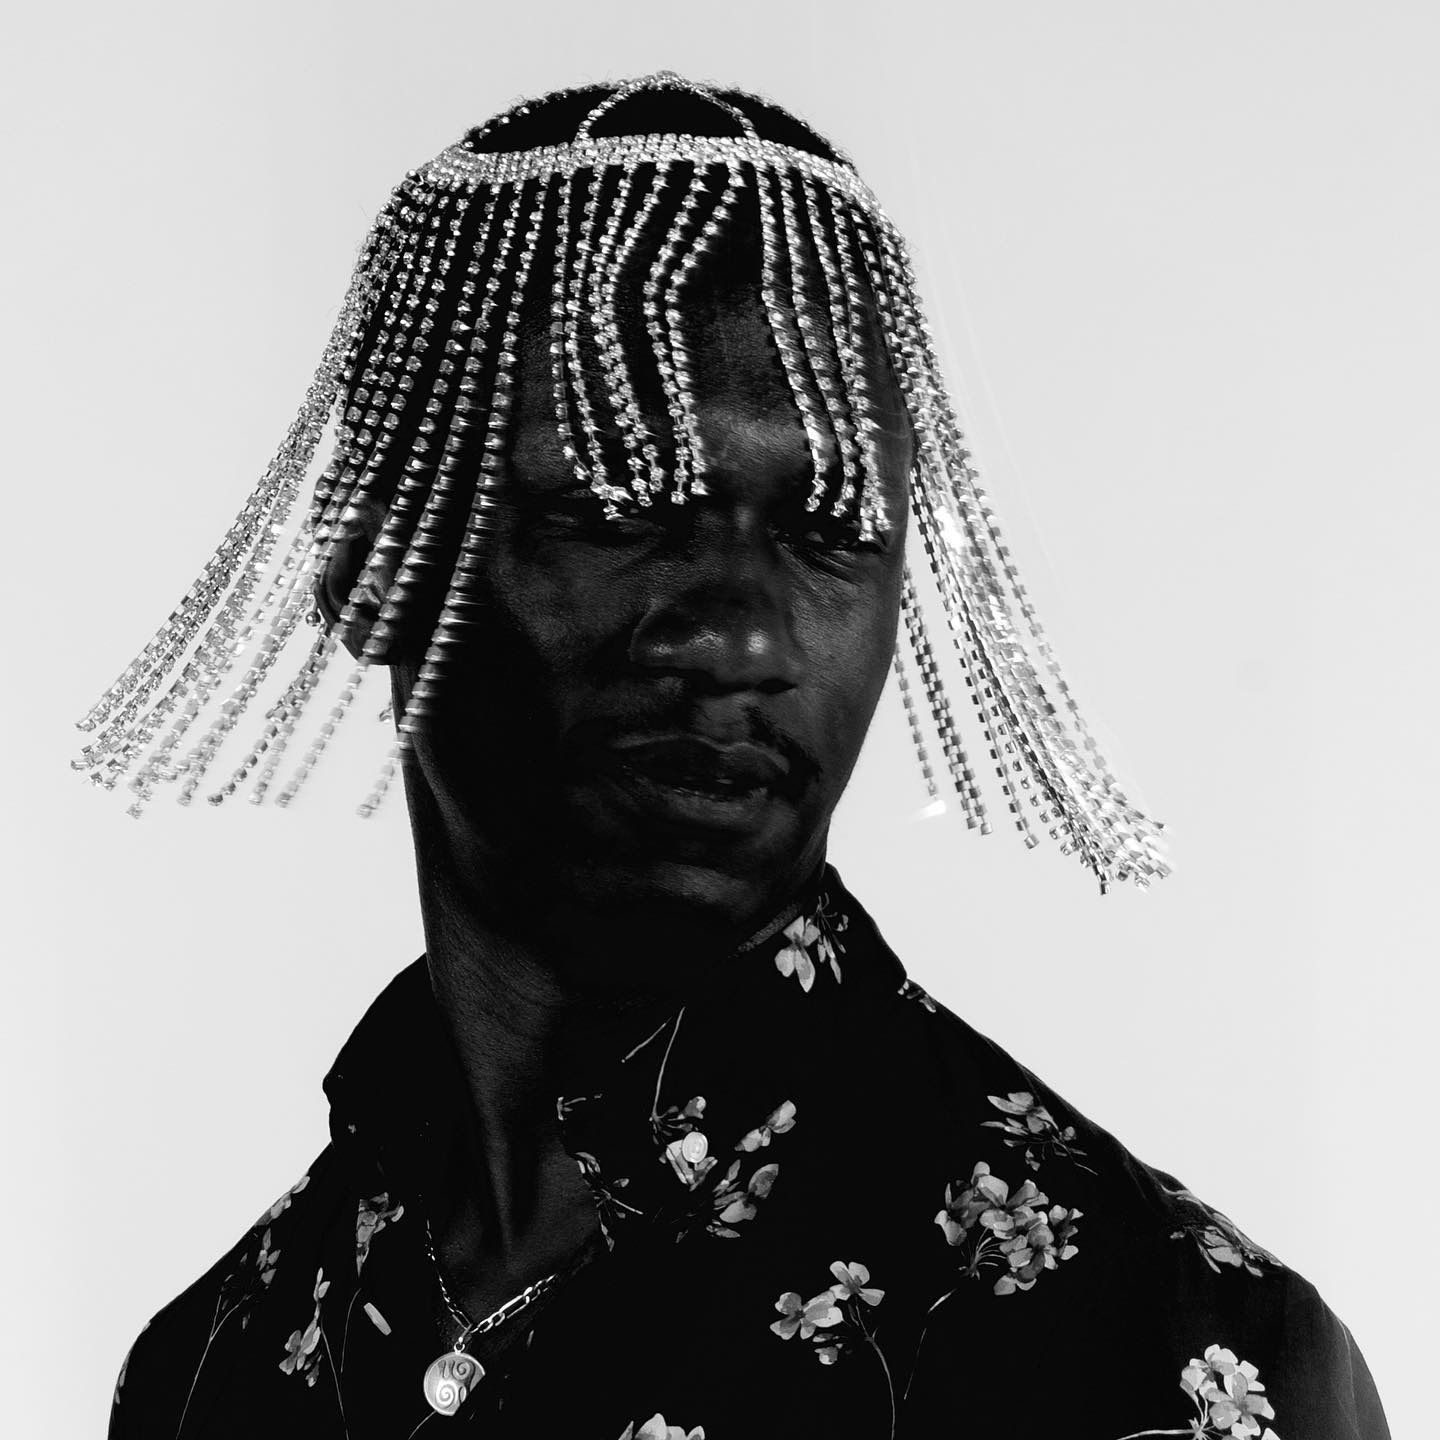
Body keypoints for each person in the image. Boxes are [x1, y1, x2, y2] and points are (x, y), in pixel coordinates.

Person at [88, 74, 1388, 1439]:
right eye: (619, 501)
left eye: (832, 531)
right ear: (370, 560)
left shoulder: (1166, 1352)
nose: (747, 634)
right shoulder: (208, 1369)